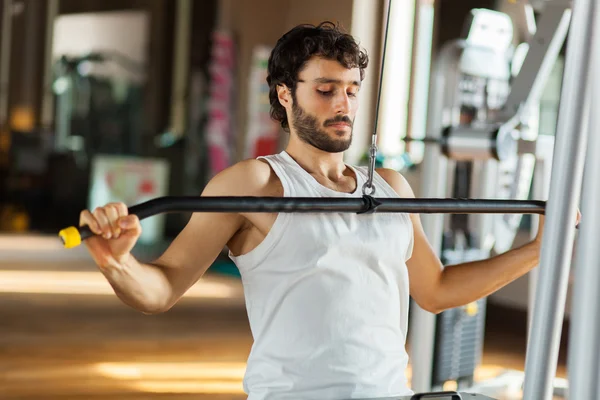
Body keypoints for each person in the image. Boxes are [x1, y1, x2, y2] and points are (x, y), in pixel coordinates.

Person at [79, 22, 577, 400]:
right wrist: (117, 262)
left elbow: (437, 290)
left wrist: (541, 248)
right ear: (284, 93)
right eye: (325, 90)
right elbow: (162, 288)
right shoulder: (254, 184)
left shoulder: (390, 187)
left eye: (352, 90)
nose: (343, 104)